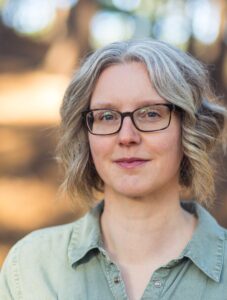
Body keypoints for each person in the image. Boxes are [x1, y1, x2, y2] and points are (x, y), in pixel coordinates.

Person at [0, 39, 227, 300]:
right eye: (107, 116)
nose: (126, 136)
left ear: (189, 128)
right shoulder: (31, 268)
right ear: (85, 135)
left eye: (151, 113)